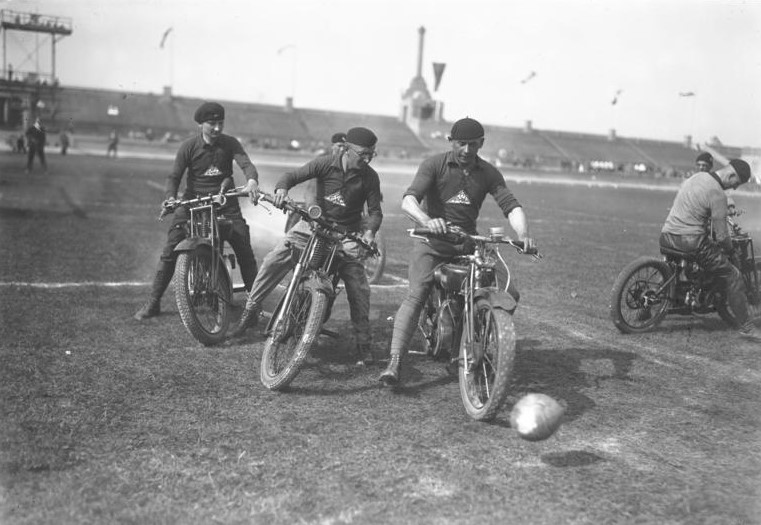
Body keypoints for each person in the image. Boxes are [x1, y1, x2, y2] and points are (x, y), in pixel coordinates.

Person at [379, 117, 536, 385]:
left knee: (509, 290)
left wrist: (523, 236)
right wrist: (429, 222)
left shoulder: (488, 172)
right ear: (451, 142)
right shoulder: (434, 165)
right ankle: (395, 362)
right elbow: (409, 200)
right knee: (416, 295)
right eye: (461, 144)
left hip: (467, 244)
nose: (466, 150)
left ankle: (466, 348)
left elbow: (510, 205)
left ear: (481, 144)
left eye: (472, 145)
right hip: (432, 243)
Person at [229, 126, 383, 366]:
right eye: (363, 153)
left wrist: (370, 232)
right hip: (312, 226)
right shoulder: (323, 163)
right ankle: (250, 311)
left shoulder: (370, 177)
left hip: (346, 235)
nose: (367, 159)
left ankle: (363, 343)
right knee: (275, 258)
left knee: (359, 287)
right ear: (347, 149)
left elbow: (375, 212)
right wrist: (282, 190)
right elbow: (291, 176)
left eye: (371, 154)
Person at [134, 101, 260, 320]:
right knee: (171, 249)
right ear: (201, 124)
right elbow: (174, 177)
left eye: (220, 123)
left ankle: (254, 308)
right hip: (193, 202)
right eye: (212, 124)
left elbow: (246, 164)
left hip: (225, 203)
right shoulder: (188, 146)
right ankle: (153, 302)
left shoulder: (230, 143)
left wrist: (251, 181)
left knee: (244, 250)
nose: (217, 128)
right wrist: (171, 198)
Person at [660, 158, 761, 342]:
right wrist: (731, 252)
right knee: (734, 275)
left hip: (667, 236)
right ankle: (747, 327)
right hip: (690, 242)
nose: (735, 189)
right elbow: (722, 236)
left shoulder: (696, 177)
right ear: (731, 175)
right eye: (736, 184)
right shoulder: (718, 194)